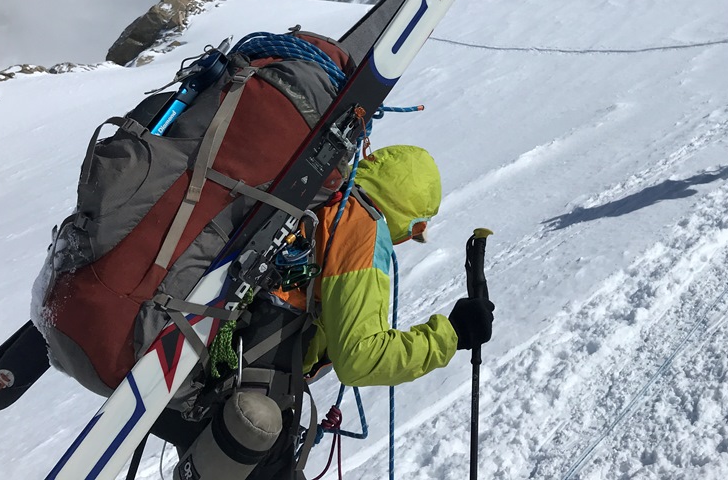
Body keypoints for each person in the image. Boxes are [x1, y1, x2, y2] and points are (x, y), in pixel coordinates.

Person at [151, 145, 495, 480]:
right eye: (414, 232)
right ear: (413, 222)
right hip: (244, 405)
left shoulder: (322, 202)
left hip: (189, 378)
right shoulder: (362, 227)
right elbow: (361, 357)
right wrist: (452, 334)